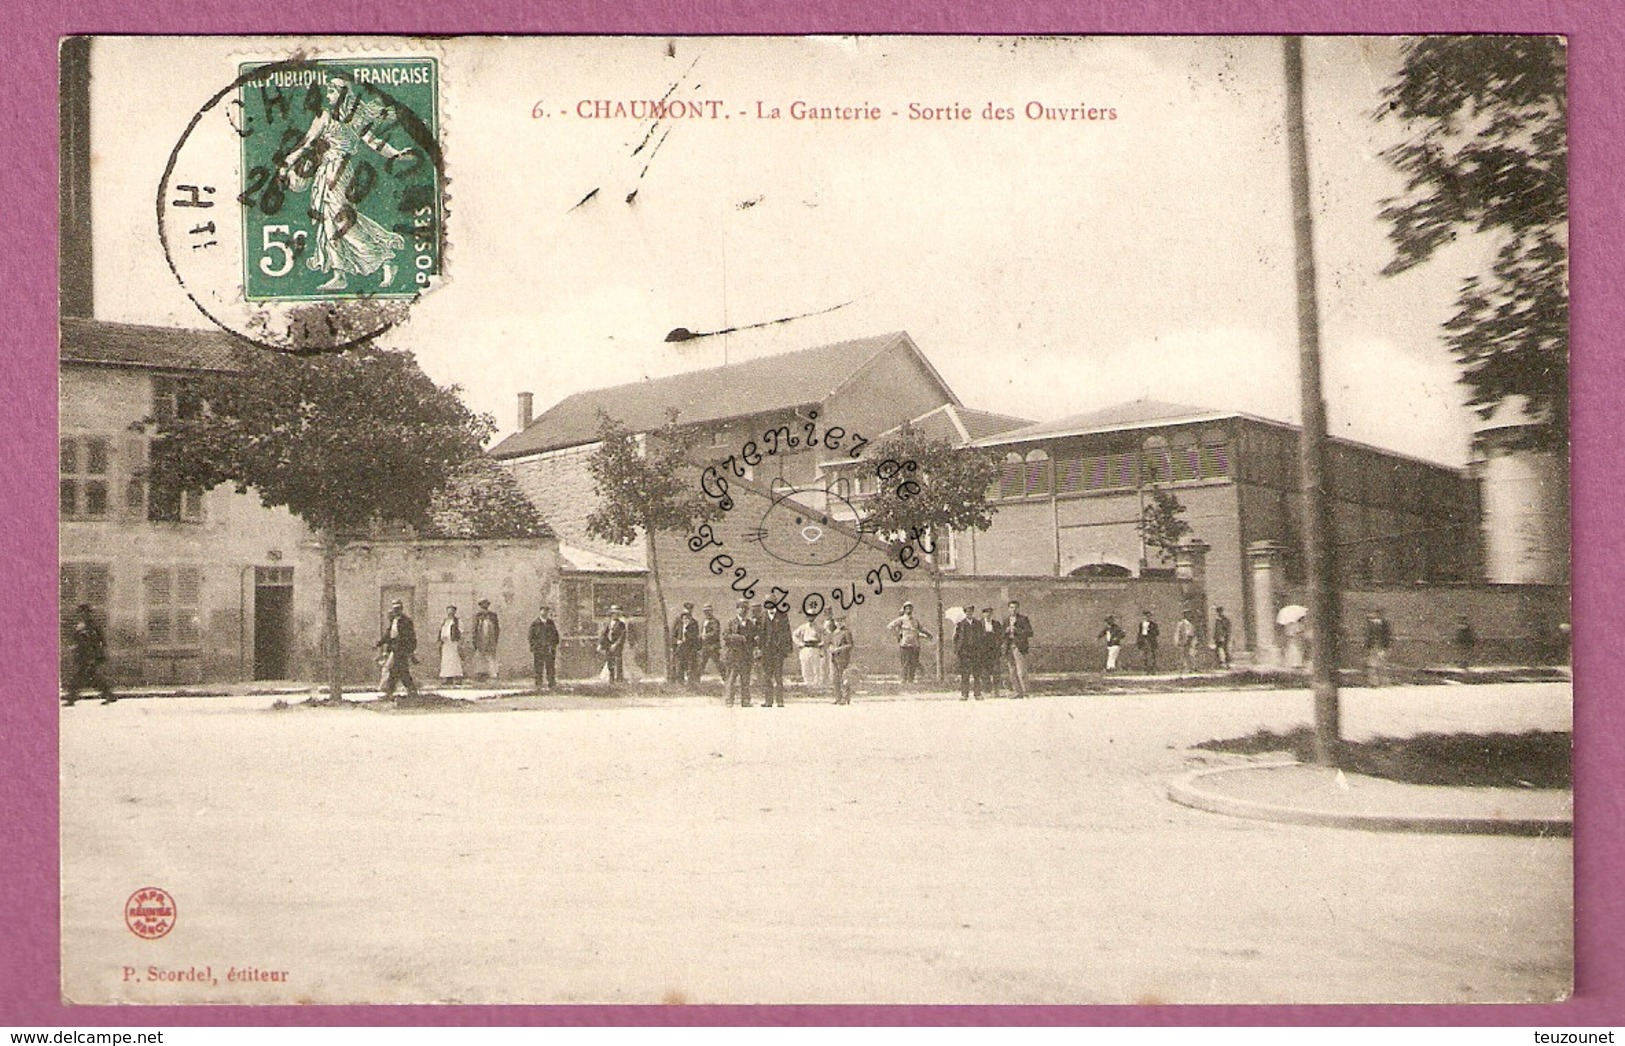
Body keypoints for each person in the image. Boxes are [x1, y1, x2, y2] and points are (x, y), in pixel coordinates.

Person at [278, 75, 408, 293]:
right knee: (329, 220)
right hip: (325, 171)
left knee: (341, 219)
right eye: (328, 92)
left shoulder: (355, 118)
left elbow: (374, 142)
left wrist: (396, 154)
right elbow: (307, 143)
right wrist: (287, 162)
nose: (328, 96)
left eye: (332, 92)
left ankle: (384, 258)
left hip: (341, 172)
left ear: (342, 94)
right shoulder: (324, 116)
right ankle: (340, 274)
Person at [64, 603, 116, 706]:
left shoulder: (92, 626)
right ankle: (109, 694)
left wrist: (96, 655)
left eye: (83, 613)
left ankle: (71, 698)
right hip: (84, 655)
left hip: (89, 656)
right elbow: (77, 639)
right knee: (92, 677)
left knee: (79, 677)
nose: (82, 615)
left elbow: (99, 641)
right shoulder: (82, 625)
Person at [376, 599, 420, 700]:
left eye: (398, 608)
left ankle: (391, 692)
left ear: (401, 609)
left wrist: (411, 650)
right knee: (400, 671)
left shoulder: (406, 621)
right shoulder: (394, 620)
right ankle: (411, 691)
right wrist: (379, 643)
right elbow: (389, 634)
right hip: (395, 648)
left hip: (402, 649)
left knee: (395, 670)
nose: (396, 610)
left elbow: (411, 636)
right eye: (394, 608)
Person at [886, 602, 934, 686]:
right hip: (905, 645)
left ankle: (911, 679)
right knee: (905, 663)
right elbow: (890, 626)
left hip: (915, 645)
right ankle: (903, 680)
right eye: (907, 608)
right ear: (904, 609)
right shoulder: (901, 620)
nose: (909, 610)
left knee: (914, 663)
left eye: (910, 608)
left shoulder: (915, 620)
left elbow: (922, 629)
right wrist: (898, 635)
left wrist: (929, 634)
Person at [722, 599, 759, 706]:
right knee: (731, 679)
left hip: (746, 656)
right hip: (733, 656)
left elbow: (753, 638)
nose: (743, 610)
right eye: (741, 608)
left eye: (745, 608)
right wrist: (740, 638)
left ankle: (746, 701)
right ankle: (729, 701)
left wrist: (756, 642)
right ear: (737, 609)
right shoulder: (731, 622)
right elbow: (726, 636)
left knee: (745, 679)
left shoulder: (750, 624)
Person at [759, 602, 793, 707]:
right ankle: (768, 701)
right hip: (766, 651)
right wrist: (759, 648)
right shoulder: (762, 616)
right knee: (767, 676)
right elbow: (759, 633)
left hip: (778, 651)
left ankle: (780, 701)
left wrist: (788, 649)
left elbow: (787, 632)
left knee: (778, 676)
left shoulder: (783, 616)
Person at [954, 606, 985, 700]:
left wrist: (981, 649)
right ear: (965, 612)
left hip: (976, 651)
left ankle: (977, 694)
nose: (969, 613)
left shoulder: (978, 623)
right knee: (965, 674)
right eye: (967, 611)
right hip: (965, 652)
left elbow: (982, 636)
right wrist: (957, 650)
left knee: (977, 674)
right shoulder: (961, 624)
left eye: (971, 611)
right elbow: (956, 638)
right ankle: (964, 694)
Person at [1004, 600, 1034, 697]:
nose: (1013, 609)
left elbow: (1030, 632)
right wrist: (1006, 631)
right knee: (1012, 671)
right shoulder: (1006, 620)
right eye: (1011, 607)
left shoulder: (1023, 619)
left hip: (1019, 647)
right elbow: (1001, 635)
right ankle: (1017, 692)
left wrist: (1018, 631)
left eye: (1015, 607)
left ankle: (1026, 692)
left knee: (1021, 671)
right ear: (1008, 609)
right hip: (1009, 647)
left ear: (1018, 608)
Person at [528, 605, 560, 691]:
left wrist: (553, 646)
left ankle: (551, 683)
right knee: (538, 667)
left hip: (549, 649)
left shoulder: (551, 623)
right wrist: (534, 647)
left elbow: (556, 635)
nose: (545, 613)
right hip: (539, 649)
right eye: (543, 611)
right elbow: (531, 637)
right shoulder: (535, 624)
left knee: (550, 666)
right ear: (540, 612)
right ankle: (538, 684)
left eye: (546, 611)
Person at [670, 602, 701, 684]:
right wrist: (677, 641)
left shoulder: (694, 623)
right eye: (685, 614)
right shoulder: (677, 622)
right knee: (679, 666)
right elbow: (672, 636)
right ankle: (680, 684)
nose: (686, 617)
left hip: (689, 647)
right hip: (679, 647)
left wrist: (687, 631)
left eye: (689, 614)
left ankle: (691, 685)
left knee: (690, 666)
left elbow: (695, 637)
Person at [793, 612, 826, 688]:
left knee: (815, 666)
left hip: (815, 648)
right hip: (805, 648)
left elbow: (826, 635)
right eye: (809, 616)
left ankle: (816, 684)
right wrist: (800, 644)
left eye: (812, 616)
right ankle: (807, 683)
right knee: (805, 666)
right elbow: (794, 635)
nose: (810, 618)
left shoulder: (819, 627)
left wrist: (822, 643)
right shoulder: (803, 627)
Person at [471, 599, 501, 681]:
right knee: (480, 657)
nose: (484, 609)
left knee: (491, 657)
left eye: (485, 607)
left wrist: (495, 639)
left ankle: (493, 674)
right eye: (482, 607)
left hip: (490, 640)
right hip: (481, 640)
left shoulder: (493, 616)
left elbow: (497, 629)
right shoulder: (478, 616)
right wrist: (474, 640)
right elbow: (475, 630)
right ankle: (481, 674)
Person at [828, 617, 855, 705]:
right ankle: (837, 697)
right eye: (837, 621)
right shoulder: (834, 633)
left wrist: (839, 649)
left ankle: (845, 697)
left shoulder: (846, 632)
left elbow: (850, 645)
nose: (839, 623)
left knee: (844, 678)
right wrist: (831, 648)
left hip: (843, 657)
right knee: (835, 678)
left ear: (844, 622)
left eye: (841, 621)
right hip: (834, 657)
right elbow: (831, 643)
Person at [599, 606, 628, 682]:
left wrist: (616, 644)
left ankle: (619, 678)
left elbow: (622, 636)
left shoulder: (621, 624)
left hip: (617, 645)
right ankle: (611, 679)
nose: (615, 615)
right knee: (610, 662)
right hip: (608, 644)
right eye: (614, 613)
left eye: (617, 614)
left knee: (618, 661)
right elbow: (603, 634)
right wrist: (601, 644)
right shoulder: (607, 623)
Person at [1364, 608, 1393, 686]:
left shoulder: (1375, 624)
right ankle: (1380, 681)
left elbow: (1370, 636)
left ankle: (1376, 682)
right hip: (1377, 646)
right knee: (1380, 664)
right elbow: (1387, 636)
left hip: (1377, 646)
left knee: (1376, 665)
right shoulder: (1382, 624)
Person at [697, 603, 724, 681]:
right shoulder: (704, 621)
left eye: (708, 611)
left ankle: (727, 680)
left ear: (711, 611)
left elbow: (715, 632)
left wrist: (705, 636)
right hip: (704, 646)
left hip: (713, 646)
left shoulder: (715, 621)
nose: (707, 613)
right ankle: (696, 681)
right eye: (705, 611)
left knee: (719, 664)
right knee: (701, 664)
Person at [438, 606, 465, 685]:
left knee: (455, 660)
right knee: (446, 661)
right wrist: (440, 640)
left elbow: (461, 632)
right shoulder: (445, 621)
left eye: (452, 611)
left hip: (453, 643)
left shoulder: (457, 621)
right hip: (446, 644)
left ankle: (457, 678)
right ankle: (448, 678)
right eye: (448, 611)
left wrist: (460, 642)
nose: (450, 613)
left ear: (454, 612)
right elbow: (441, 630)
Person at [1174, 609, 1200, 676]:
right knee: (1184, 655)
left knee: (1191, 654)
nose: (1188, 615)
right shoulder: (1181, 623)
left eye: (1189, 614)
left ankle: (1192, 667)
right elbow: (1178, 632)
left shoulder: (1191, 623)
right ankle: (1185, 668)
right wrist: (1177, 641)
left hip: (1190, 640)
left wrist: (1194, 640)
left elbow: (1193, 633)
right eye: (1187, 614)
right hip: (1184, 640)